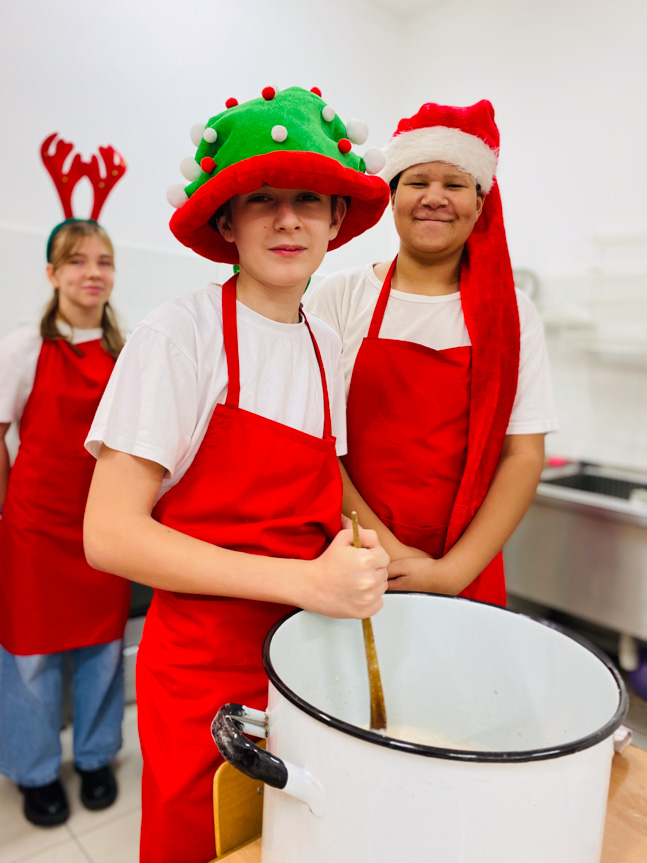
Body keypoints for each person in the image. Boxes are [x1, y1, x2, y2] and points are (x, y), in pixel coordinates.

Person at [83, 85, 391, 863]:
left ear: (334, 220)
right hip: (201, 674)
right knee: (203, 841)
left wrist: (389, 556)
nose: (288, 218)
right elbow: (109, 535)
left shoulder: (326, 343)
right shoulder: (178, 336)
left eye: (308, 198)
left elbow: (328, 482)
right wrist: (306, 584)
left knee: (290, 841)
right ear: (226, 221)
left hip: (304, 661)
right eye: (262, 199)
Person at [304, 99, 558, 606]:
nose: (435, 198)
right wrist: (390, 553)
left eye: (455, 184)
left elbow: (523, 455)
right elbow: (313, 442)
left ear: (481, 203)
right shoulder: (340, 295)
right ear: (393, 196)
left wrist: (451, 572)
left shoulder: (512, 312)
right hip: (353, 552)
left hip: (466, 563)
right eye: (418, 182)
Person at [0, 217, 131, 827]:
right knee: (29, 655)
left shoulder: (127, 354)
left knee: (102, 651)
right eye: (76, 261)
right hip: (33, 527)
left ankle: (97, 756)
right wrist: (7, 514)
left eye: (102, 261)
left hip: (101, 529)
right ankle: (35, 770)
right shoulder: (24, 346)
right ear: (52, 274)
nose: (91, 273)